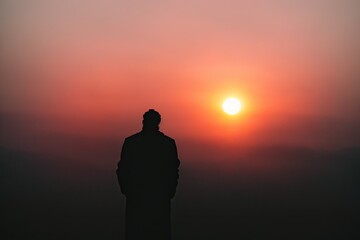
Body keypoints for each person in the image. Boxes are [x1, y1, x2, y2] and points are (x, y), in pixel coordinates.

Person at [116, 109, 180, 240]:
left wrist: (127, 190)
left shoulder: (132, 142)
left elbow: (122, 169)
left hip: (143, 198)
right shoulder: (167, 144)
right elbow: (173, 170)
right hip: (155, 198)